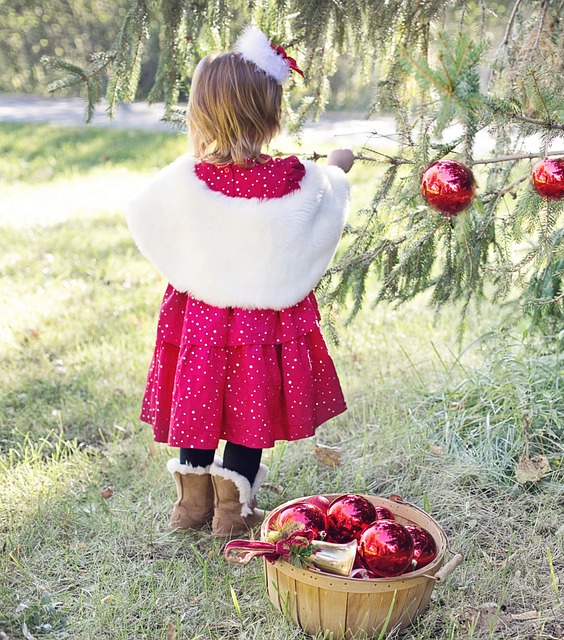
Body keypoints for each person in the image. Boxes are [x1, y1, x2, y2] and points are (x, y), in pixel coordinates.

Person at [127, 26, 355, 538]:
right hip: (260, 324)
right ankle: (231, 513)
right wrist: (340, 166)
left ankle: (191, 508)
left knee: (199, 402)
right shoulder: (292, 177)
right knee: (251, 407)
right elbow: (325, 201)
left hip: (202, 318)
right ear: (272, 115)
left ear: (201, 114)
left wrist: (196, 268)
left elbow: (145, 214)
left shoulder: (187, 177)